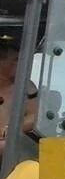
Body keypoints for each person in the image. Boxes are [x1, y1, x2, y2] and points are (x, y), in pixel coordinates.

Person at [0, 28, 39, 160]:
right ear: (2, 62)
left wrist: (13, 127)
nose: (19, 64)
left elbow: (35, 116)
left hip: (16, 144)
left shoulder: (26, 86)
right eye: (15, 60)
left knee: (6, 147)